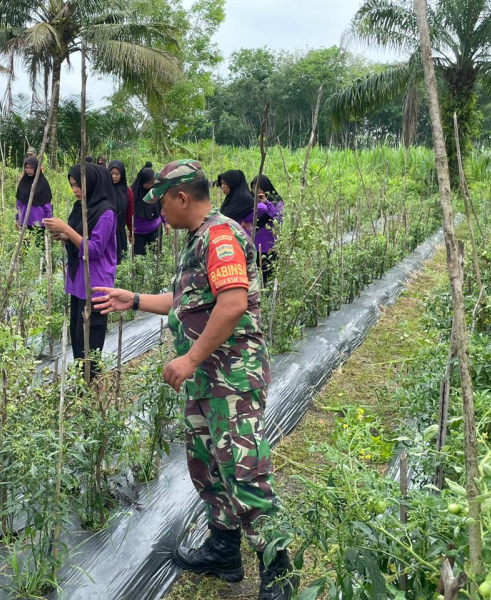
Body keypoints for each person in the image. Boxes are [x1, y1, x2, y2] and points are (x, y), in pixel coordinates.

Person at [93, 159, 298, 600]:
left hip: (231, 379)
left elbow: (232, 304)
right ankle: (223, 550)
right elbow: (186, 301)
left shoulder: (221, 237)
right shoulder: (199, 238)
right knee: (207, 465)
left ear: (182, 197)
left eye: (162, 202)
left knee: (245, 472)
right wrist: (133, 299)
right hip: (208, 380)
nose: (158, 213)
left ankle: (278, 570)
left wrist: (188, 359)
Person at [43, 162, 117, 381]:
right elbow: (79, 241)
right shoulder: (80, 207)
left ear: (92, 183)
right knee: (77, 337)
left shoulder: (106, 213)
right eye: (72, 185)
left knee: (90, 341)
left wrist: (67, 230)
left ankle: (92, 384)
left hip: (96, 284)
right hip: (78, 282)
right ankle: (83, 384)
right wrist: (65, 236)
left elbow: (94, 249)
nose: (75, 190)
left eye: (79, 185)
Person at [250, 175, 284, 285]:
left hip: (269, 247)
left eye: (258, 187)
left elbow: (278, 218)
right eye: (253, 187)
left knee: (268, 279)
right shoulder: (251, 202)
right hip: (254, 247)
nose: (255, 190)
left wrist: (267, 203)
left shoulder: (276, 201)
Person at [15, 156, 53, 247]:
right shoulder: (23, 182)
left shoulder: (43, 183)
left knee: (40, 247)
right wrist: (17, 219)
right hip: (25, 221)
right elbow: (19, 203)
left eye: (31, 168)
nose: (28, 170)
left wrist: (49, 219)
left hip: (39, 222)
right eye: (26, 168)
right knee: (24, 247)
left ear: (36, 168)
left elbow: (47, 204)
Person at [130, 162, 163, 256]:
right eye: (149, 183)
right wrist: (130, 230)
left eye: (153, 183)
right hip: (138, 232)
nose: (151, 185)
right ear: (142, 181)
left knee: (156, 256)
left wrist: (166, 222)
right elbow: (128, 213)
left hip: (155, 229)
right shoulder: (133, 194)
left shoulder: (155, 192)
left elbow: (161, 207)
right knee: (139, 258)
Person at [109, 159, 134, 263]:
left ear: (122, 175)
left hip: (120, 231)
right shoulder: (103, 189)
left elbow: (130, 213)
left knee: (121, 261)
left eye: (117, 174)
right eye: (111, 174)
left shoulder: (127, 191)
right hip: (106, 232)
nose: (114, 176)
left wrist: (131, 230)